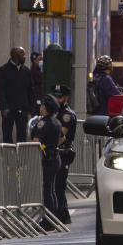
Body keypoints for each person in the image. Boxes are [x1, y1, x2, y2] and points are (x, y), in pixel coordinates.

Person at [31, 94, 64, 225]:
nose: (41, 107)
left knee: (47, 190)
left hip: (47, 159)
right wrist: (53, 145)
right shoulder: (56, 121)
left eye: (42, 105)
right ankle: (53, 218)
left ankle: (48, 221)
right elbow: (62, 138)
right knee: (51, 189)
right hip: (55, 157)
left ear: (45, 107)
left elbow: (35, 140)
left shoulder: (43, 122)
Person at [0, 47, 35, 143]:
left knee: (22, 137)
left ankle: (20, 158)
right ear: (16, 56)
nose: (25, 57)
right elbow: (0, 91)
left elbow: (30, 90)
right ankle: (8, 157)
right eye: (23, 54)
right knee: (7, 136)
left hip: (23, 110)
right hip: (8, 110)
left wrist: (31, 108)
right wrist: (4, 107)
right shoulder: (3, 70)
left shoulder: (26, 71)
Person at [51, 84, 76, 224]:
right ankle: (61, 215)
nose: (56, 98)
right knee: (54, 185)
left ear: (66, 97)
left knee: (59, 186)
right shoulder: (55, 112)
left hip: (63, 152)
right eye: (55, 95)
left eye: (59, 96)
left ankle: (62, 215)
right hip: (55, 152)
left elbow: (61, 135)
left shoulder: (67, 115)